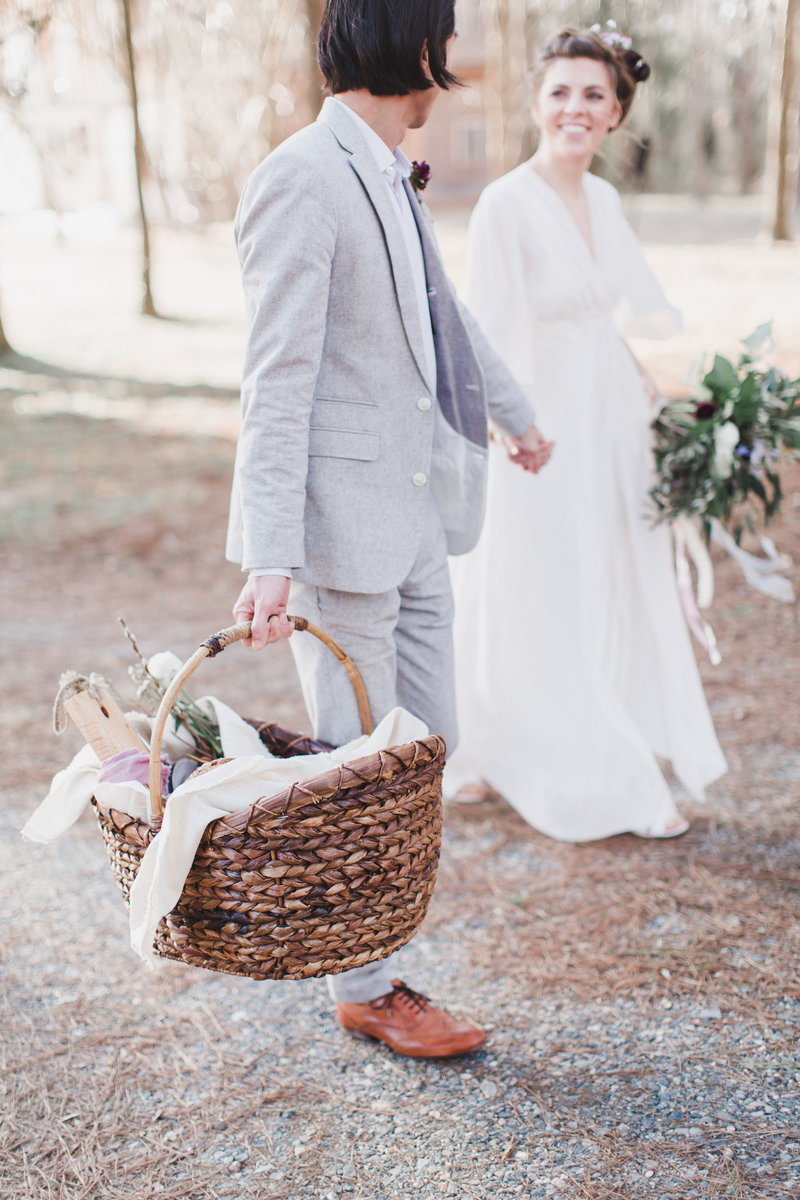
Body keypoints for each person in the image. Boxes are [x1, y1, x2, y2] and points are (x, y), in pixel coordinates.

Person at [225, 0, 553, 1058]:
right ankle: (367, 986)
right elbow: (275, 378)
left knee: (424, 751)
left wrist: (515, 416)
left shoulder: (382, 169)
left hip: (417, 518)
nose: (449, 63)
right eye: (443, 39)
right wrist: (269, 554)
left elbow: (440, 317)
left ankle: (381, 955)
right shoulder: (299, 177)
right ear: (411, 45)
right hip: (340, 536)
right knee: (356, 768)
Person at [444, 26, 727, 842]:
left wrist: (636, 369)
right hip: (540, 423)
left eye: (594, 94)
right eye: (560, 91)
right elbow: (491, 330)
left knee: (606, 570)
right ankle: (569, 761)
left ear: (616, 113)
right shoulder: (506, 204)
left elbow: (599, 308)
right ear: (536, 104)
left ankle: (517, 733)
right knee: (535, 576)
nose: (576, 107)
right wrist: (514, 423)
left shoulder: (603, 200)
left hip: (609, 414)